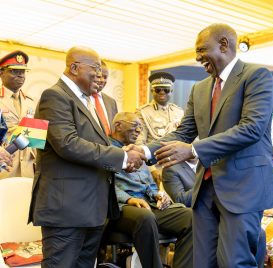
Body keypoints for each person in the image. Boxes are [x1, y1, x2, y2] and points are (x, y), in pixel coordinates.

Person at [128, 23, 273, 267]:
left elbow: (252, 128)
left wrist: (194, 150)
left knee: (234, 262)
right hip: (206, 191)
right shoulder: (200, 88)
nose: (197, 57)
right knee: (202, 263)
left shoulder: (256, 75)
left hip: (243, 187)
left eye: (201, 50)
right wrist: (143, 151)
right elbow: (184, 131)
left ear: (224, 45)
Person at [28, 46, 145, 268]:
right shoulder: (54, 96)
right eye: (95, 68)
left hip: (92, 209)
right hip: (67, 210)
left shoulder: (88, 101)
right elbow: (68, 144)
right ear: (74, 67)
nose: (100, 75)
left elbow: (98, 146)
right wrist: (121, 157)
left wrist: (123, 160)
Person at [109, 112, 193, 268]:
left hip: (149, 204)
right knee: (145, 217)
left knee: (190, 217)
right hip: (122, 207)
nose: (139, 130)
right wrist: (129, 199)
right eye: (135, 126)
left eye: (140, 127)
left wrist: (159, 195)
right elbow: (104, 184)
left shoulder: (139, 152)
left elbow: (150, 185)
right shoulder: (106, 150)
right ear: (118, 125)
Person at [136, 72, 184, 185]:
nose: (162, 92)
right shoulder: (142, 112)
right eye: (158, 89)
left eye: (166, 89)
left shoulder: (179, 111)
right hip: (155, 166)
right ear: (152, 91)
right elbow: (139, 143)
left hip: (178, 164)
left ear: (171, 91)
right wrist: (151, 169)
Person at [0, 50, 36, 179]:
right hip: (4, 166)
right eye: (15, 71)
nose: (21, 75)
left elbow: (35, 137)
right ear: (1, 72)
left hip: (28, 169)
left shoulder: (31, 102)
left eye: (23, 72)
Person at [92, 60, 118, 134]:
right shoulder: (82, 98)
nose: (102, 80)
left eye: (105, 77)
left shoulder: (111, 102)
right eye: (99, 76)